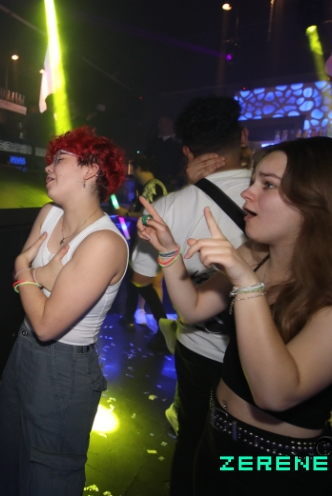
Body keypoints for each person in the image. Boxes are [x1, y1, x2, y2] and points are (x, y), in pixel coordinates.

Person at [137, 136, 332, 495]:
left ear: (320, 200)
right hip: (215, 436)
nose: (247, 193)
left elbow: (276, 394)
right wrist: (169, 252)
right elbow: (193, 309)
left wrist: (246, 284)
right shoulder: (258, 252)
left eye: (268, 185)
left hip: (280, 463)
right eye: (254, 181)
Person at [0, 126, 128, 495]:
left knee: (48, 476)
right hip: (23, 349)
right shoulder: (48, 214)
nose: (48, 167)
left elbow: (47, 323)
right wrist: (33, 276)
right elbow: (25, 286)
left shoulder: (104, 242)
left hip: (64, 366)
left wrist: (25, 269)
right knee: (5, 454)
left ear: (91, 169)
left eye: (60, 159)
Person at [131, 96, 252, 495]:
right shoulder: (278, 196)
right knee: (248, 455)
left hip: (200, 349)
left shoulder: (170, 206)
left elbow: (140, 277)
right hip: (264, 352)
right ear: (243, 137)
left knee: (194, 438)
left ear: (187, 150)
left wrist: (187, 193)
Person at [116, 154, 168, 329]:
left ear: (138, 169)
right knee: (134, 281)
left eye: (134, 170)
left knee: (143, 283)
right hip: (142, 242)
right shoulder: (145, 188)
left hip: (149, 244)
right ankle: (130, 316)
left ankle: (161, 322)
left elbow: (151, 217)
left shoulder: (155, 187)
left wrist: (127, 214)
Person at [143, 116, 186, 190]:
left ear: (170, 123)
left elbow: (184, 162)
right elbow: (146, 159)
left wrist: (177, 178)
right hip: (156, 182)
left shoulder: (180, 143)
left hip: (174, 183)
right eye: (159, 123)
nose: (159, 125)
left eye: (161, 122)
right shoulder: (154, 143)